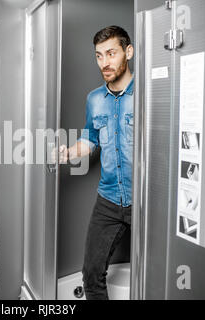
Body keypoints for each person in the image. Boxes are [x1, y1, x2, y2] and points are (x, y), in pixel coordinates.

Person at [57, 26, 134, 300]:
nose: (104, 62)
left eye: (111, 53)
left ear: (128, 52)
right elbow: (90, 139)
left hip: (146, 201)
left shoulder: (148, 94)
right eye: (99, 55)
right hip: (109, 199)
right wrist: (67, 153)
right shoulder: (94, 99)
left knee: (156, 272)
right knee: (91, 274)